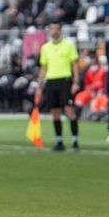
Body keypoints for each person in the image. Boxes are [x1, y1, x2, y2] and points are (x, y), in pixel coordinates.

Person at [35, 22, 81, 151]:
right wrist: (40, 83)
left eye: (56, 29)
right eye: (52, 29)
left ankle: (75, 141)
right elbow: (44, 67)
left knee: (69, 111)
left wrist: (76, 81)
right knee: (55, 112)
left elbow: (75, 64)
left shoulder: (69, 45)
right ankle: (59, 141)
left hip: (65, 80)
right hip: (51, 81)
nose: (54, 31)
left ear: (60, 30)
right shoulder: (45, 47)